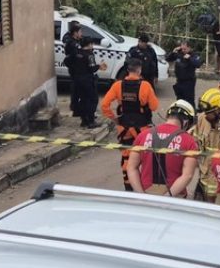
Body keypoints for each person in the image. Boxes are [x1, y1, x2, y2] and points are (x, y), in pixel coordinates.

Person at [101, 58, 159, 190]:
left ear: (127, 70)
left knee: (127, 157)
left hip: (124, 128)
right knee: (145, 157)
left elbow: (104, 105)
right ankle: (144, 185)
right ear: (139, 70)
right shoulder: (145, 86)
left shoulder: (118, 85)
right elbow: (154, 106)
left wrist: (115, 118)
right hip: (142, 129)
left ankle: (128, 186)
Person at [127, 100, 199, 197]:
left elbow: (131, 167)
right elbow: (187, 175)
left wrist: (141, 195)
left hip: (147, 194)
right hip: (175, 196)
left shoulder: (143, 135)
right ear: (186, 121)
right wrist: (167, 197)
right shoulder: (189, 141)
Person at [191, 88, 220, 202]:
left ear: (218, 110)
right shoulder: (202, 119)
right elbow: (193, 139)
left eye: (209, 113)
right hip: (203, 176)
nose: (206, 115)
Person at [78, 37, 106, 128]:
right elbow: (92, 68)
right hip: (88, 80)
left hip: (79, 79)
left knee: (83, 100)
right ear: (89, 44)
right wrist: (99, 66)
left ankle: (84, 120)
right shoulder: (89, 55)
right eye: (92, 44)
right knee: (92, 100)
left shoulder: (78, 53)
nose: (92, 46)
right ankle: (91, 121)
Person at [63, 21, 84, 117]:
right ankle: (75, 109)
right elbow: (75, 56)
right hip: (75, 69)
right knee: (76, 90)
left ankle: (78, 109)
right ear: (75, 32)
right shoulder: (72, 43)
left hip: (78, 69)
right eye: (80, 31)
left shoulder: (77, 41)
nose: (81, 33)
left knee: (79, 89)